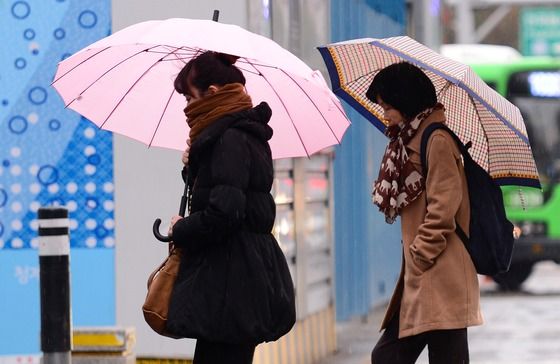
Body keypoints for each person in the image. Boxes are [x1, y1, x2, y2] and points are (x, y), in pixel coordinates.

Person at [166, 51, 296, 364]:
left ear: (211, 93)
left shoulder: (229, 139)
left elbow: (226, 213)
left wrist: (180, 229)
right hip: (236, 279)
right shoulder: (236, 135)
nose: (186, 107)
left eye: (188, 97)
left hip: (232, 284)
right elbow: (228, 192)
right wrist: (193, 167)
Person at [367, 62, 483, 364]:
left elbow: (444, 209)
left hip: (441, 275)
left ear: (405, 101)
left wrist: (419, 254)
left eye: (388, 106)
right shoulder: (408, 141)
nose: (384, 114)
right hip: (426, 277)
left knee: (389, 357)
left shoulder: (437, 140)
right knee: (388, 357)